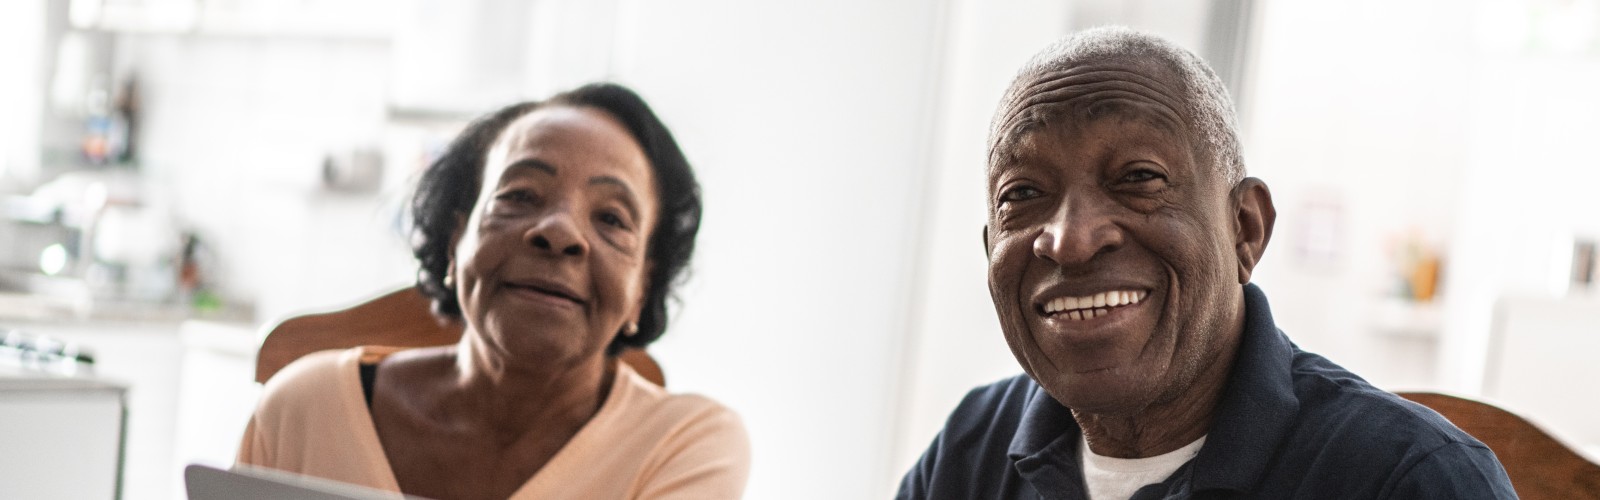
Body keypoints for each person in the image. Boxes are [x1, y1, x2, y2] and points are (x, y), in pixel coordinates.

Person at [897, 27, 1514, 499]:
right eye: (1023, 195)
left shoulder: (1409, 479)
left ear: (1245, 229)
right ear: (989, 253)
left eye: (1139, 177)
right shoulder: (971, 450)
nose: (1071, 240)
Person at [238, 83, 750, 499]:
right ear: (456, 239)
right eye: (520, 195)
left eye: (612, 218)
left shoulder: (686, 447)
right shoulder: (304, 409)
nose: (561, 232)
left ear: (643, 288)